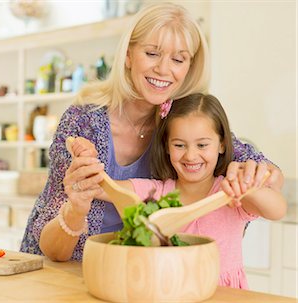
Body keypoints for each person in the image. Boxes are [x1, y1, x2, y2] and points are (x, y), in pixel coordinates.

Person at [20, 3, 284, 262]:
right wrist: (77, 205)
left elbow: (271, 175)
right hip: (64, 272)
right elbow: (54, 251)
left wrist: (254, 174)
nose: (163, 69)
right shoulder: (84, 122)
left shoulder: (184, 123)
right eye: (152, 53)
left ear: (189, 67)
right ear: (128, 55)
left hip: (133, 276)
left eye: (178, 59)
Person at [66, 93, 287, 289]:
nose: (191, 156)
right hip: (171, 290)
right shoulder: (157, 192)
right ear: (167, 147)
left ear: (221, 144)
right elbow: (107, 188)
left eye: (202, 145)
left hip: (223, 294)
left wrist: (247, 188)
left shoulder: (229, 194)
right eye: (179, 145)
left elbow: (277, 210)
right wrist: (87, 159)